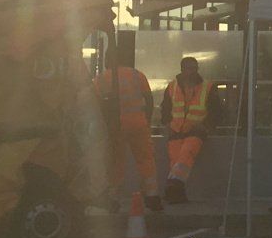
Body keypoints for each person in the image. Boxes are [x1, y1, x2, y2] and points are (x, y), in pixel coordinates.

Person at [92, 44, 160, 212]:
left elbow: (96, 105)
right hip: (139, 124)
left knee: (116, 162)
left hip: (116, 127)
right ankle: (152, 197)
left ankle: (113, 199)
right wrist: (147, 119)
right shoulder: (138, 75)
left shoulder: (100, 79)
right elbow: (149, 100)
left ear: (108, 59)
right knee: (146, 159)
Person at [160, 55, 218, 204]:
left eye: (194, 68)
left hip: (196, 131)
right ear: (182, 69)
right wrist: (167, 124)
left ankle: (172, 189)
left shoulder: (208, 87)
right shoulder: (172, 86)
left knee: (185, 155)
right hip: (176, 130)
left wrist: (206, 126)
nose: (192, 72)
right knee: (175, 162)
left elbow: (217, 110)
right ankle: (177, 194)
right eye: (189, 68)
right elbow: (165, 108)